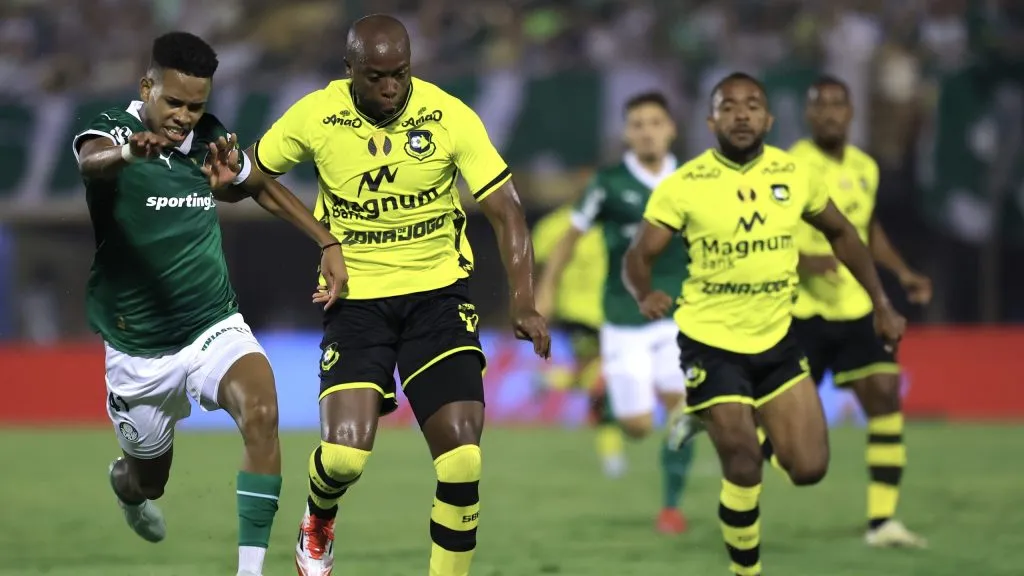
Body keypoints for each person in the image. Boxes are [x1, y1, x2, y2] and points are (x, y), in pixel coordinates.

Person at [248, 14, 550, 576]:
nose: (391, 87)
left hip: (438, 299)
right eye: (376, 76)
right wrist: (321, 236)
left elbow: (507, 209)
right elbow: (252, 175)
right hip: (355, 304)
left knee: (462, 461)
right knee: (344, 458)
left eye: (400, 74)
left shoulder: (448, 115)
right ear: (350, 70)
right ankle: (319, 513)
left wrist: (524, 299)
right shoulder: (316, 115)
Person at [73, 32, 347, 576]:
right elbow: (90, 162)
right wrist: (128, 153)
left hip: (211, 324)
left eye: (195, 106)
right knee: (148, 480)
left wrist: (326, 241)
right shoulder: (113, 129)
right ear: (147, 87)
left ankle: (250, 571)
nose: (184, 117)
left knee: (262, 412)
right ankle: (127, 489)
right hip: (139, 349)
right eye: (174, 102)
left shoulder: (209, 138)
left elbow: (258, 185)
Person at [623, 72, 906, 576]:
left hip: (777, 339)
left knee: (809, 469)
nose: (741, 114)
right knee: (743, 463)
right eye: (729, 106)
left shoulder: (794, 174)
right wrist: (645, 293)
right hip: (710, 342)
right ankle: (746, 571)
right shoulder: (684, 185)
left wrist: (881, 303)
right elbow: (639, 256)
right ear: (711, 121)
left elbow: (844, 233)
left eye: (752, 105)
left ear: (769, 119)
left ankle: (704, 415)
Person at [778, 75, 930, 547]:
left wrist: (901, 271)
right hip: (801, 312)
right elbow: (764, 232)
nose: (829, 112)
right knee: (785, 435)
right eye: (819, 104)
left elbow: (867, 228)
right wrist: (804, 261)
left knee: (884, 393)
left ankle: (882, 523)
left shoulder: (866, 166)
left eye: (837, 104)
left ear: (850, 112)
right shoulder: (789, 166)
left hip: (857, 306)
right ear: (808, 114)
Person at [535, 92, 695, 534]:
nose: (647, 132)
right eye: (638, 124)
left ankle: (671, 508)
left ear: (671, 129)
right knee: (637, 425)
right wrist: (545, 291)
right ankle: (611, 399)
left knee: (682, 406)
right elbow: (568, 240)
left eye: (655, 123)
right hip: (623, 319)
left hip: (678, 316)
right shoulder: (607, 183)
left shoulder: (691, 180)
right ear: (627, 133)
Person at [531, 206, 626, 478]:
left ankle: (551, 381)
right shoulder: (553, 226)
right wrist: (540, 303)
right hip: (577, 315)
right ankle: (612, 457)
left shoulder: (611, 223)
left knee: (596, 378)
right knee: (601, 381)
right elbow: (537, 269)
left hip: (610, 315)